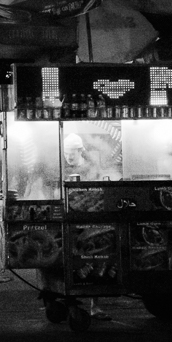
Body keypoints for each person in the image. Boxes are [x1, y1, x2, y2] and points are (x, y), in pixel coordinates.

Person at [62, 134, 110, 321]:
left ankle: (95, 306)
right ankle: (70, 299)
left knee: (94, 260)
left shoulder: (92, 168)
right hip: (70, 221)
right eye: (66, 153)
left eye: (72, 152)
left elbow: (100, 193)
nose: (69, 156)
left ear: (80, 151)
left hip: (90, 220)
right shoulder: (63, 169)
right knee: (71, 263)